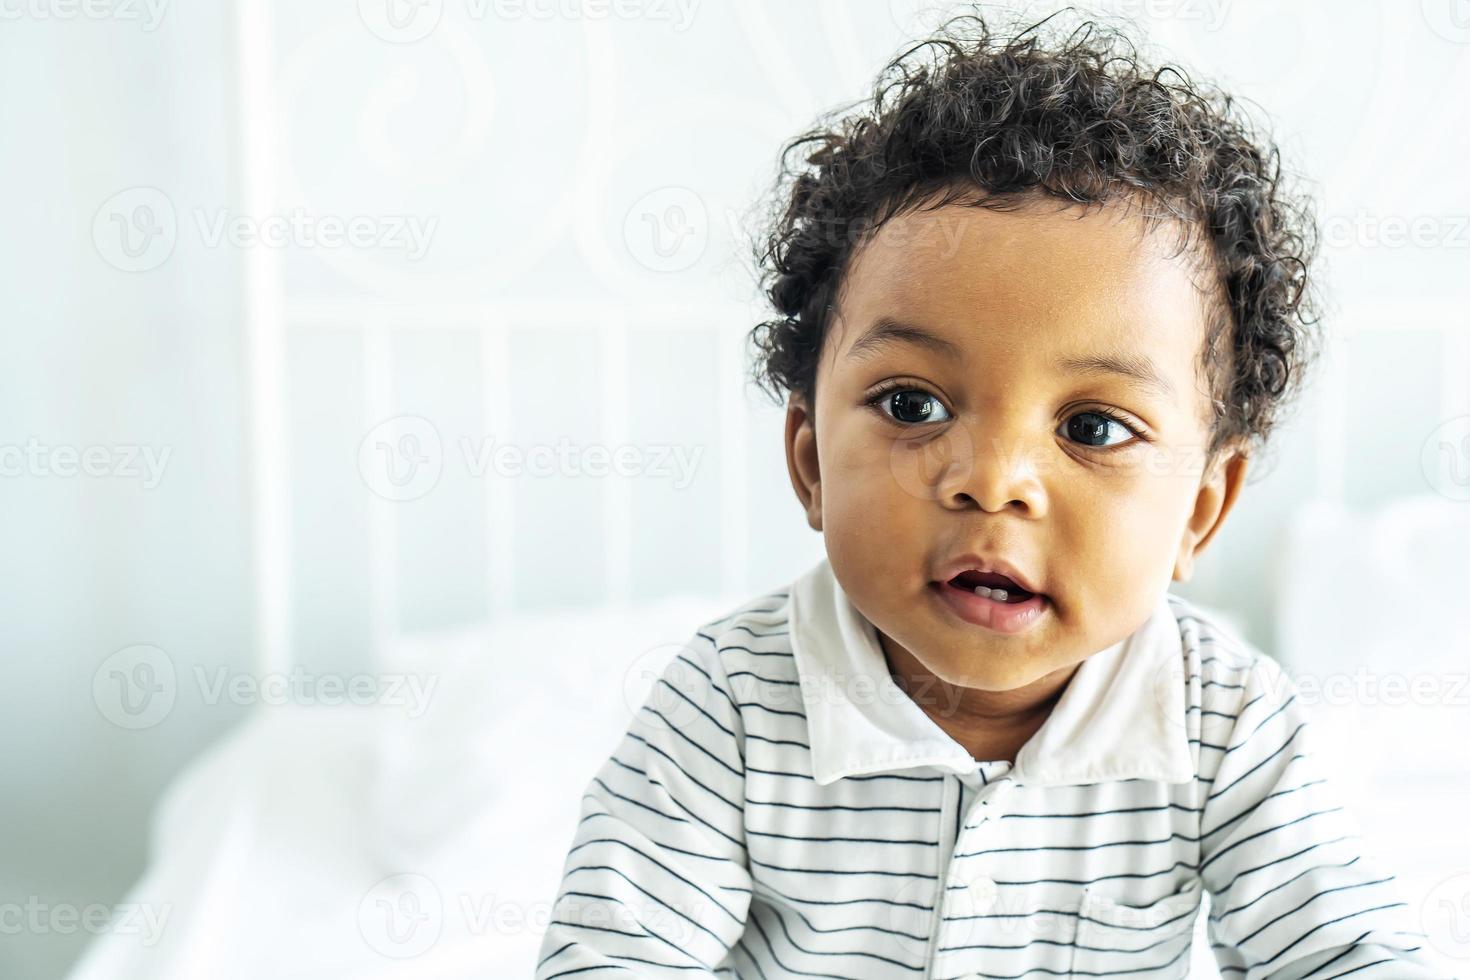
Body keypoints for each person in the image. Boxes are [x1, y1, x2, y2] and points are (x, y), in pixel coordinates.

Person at [535, 7, 1453, 977]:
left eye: (1092, 427)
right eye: (912, 402)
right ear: (808, 460)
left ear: (1199, 511)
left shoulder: (1223, 719)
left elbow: (1352, 950)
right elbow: (613, 955)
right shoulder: (733, 703)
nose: (992, 479)